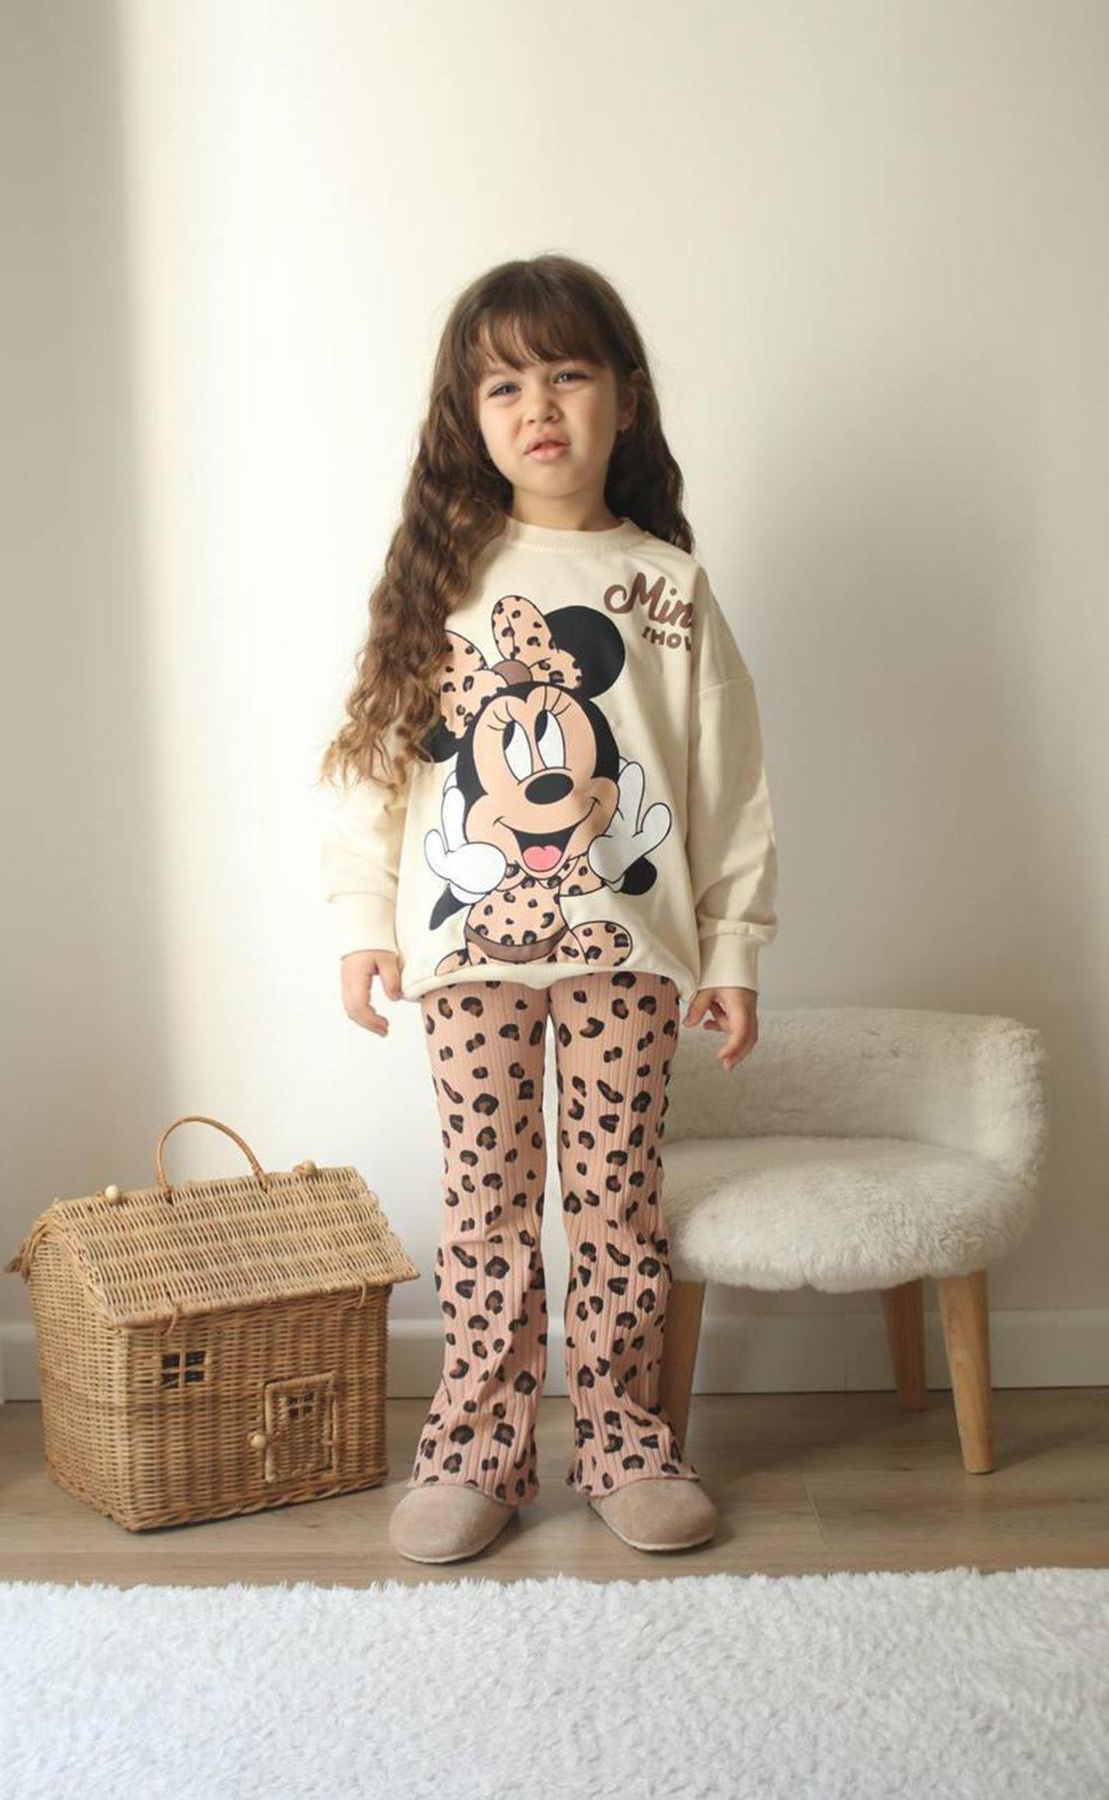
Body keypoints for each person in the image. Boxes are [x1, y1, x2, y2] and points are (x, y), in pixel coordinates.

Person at [317, 254, 778, 1564]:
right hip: (464, 958)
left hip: (630, 952)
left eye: (567, 375)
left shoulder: (668, 589)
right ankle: (477, 1449)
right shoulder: (441, 576)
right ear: (468, 416)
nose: (539, 409)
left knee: (617, 1205)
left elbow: (730, 787)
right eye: (505, 385)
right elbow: (374, 760)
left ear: (624, 399)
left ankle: (627, 1442)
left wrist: (734, 950)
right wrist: (363, 919)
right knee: (487, 1206)